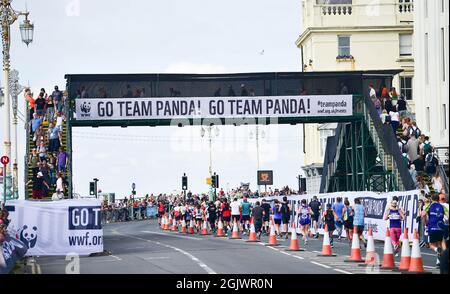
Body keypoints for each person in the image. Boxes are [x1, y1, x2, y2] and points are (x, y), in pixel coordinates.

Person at [424, 193, 446, 267]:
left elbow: (423, 214)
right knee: (440, 243)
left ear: (432, 199)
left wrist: (425, 220)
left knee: (431, 245)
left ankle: (436, 250)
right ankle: (439, 261)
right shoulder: (442, 206)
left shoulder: (429, 206)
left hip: (432, 227)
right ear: (438, 199)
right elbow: (448, 216)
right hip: (440, 227)